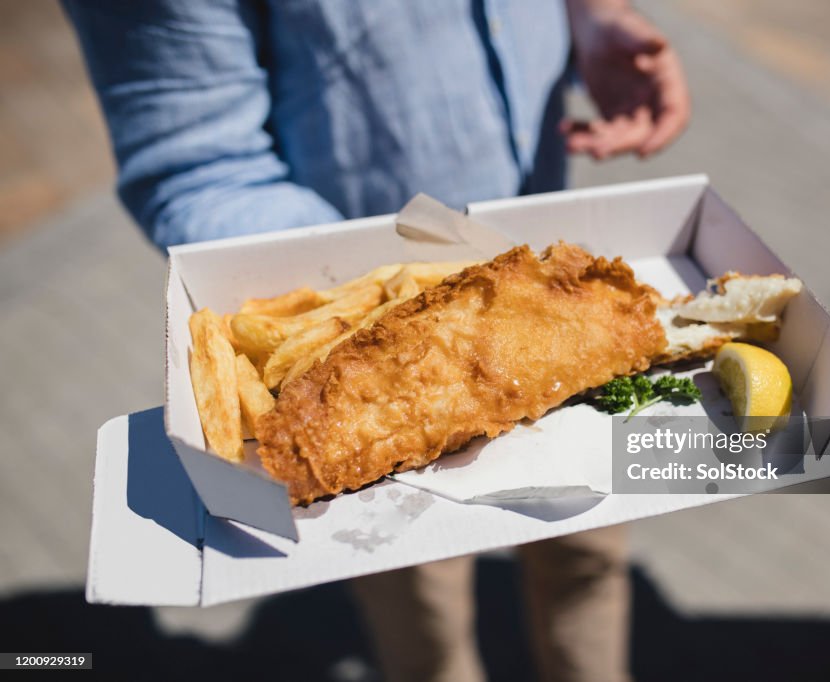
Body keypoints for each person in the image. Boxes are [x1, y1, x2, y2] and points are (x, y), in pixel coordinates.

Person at [63, 2, 690, 680]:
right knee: (428, 629)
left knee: (588, 564)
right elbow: (196, 164)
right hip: (366, 365)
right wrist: (359, 264)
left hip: (553, 291)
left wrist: (592, 17)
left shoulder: (604, 305)